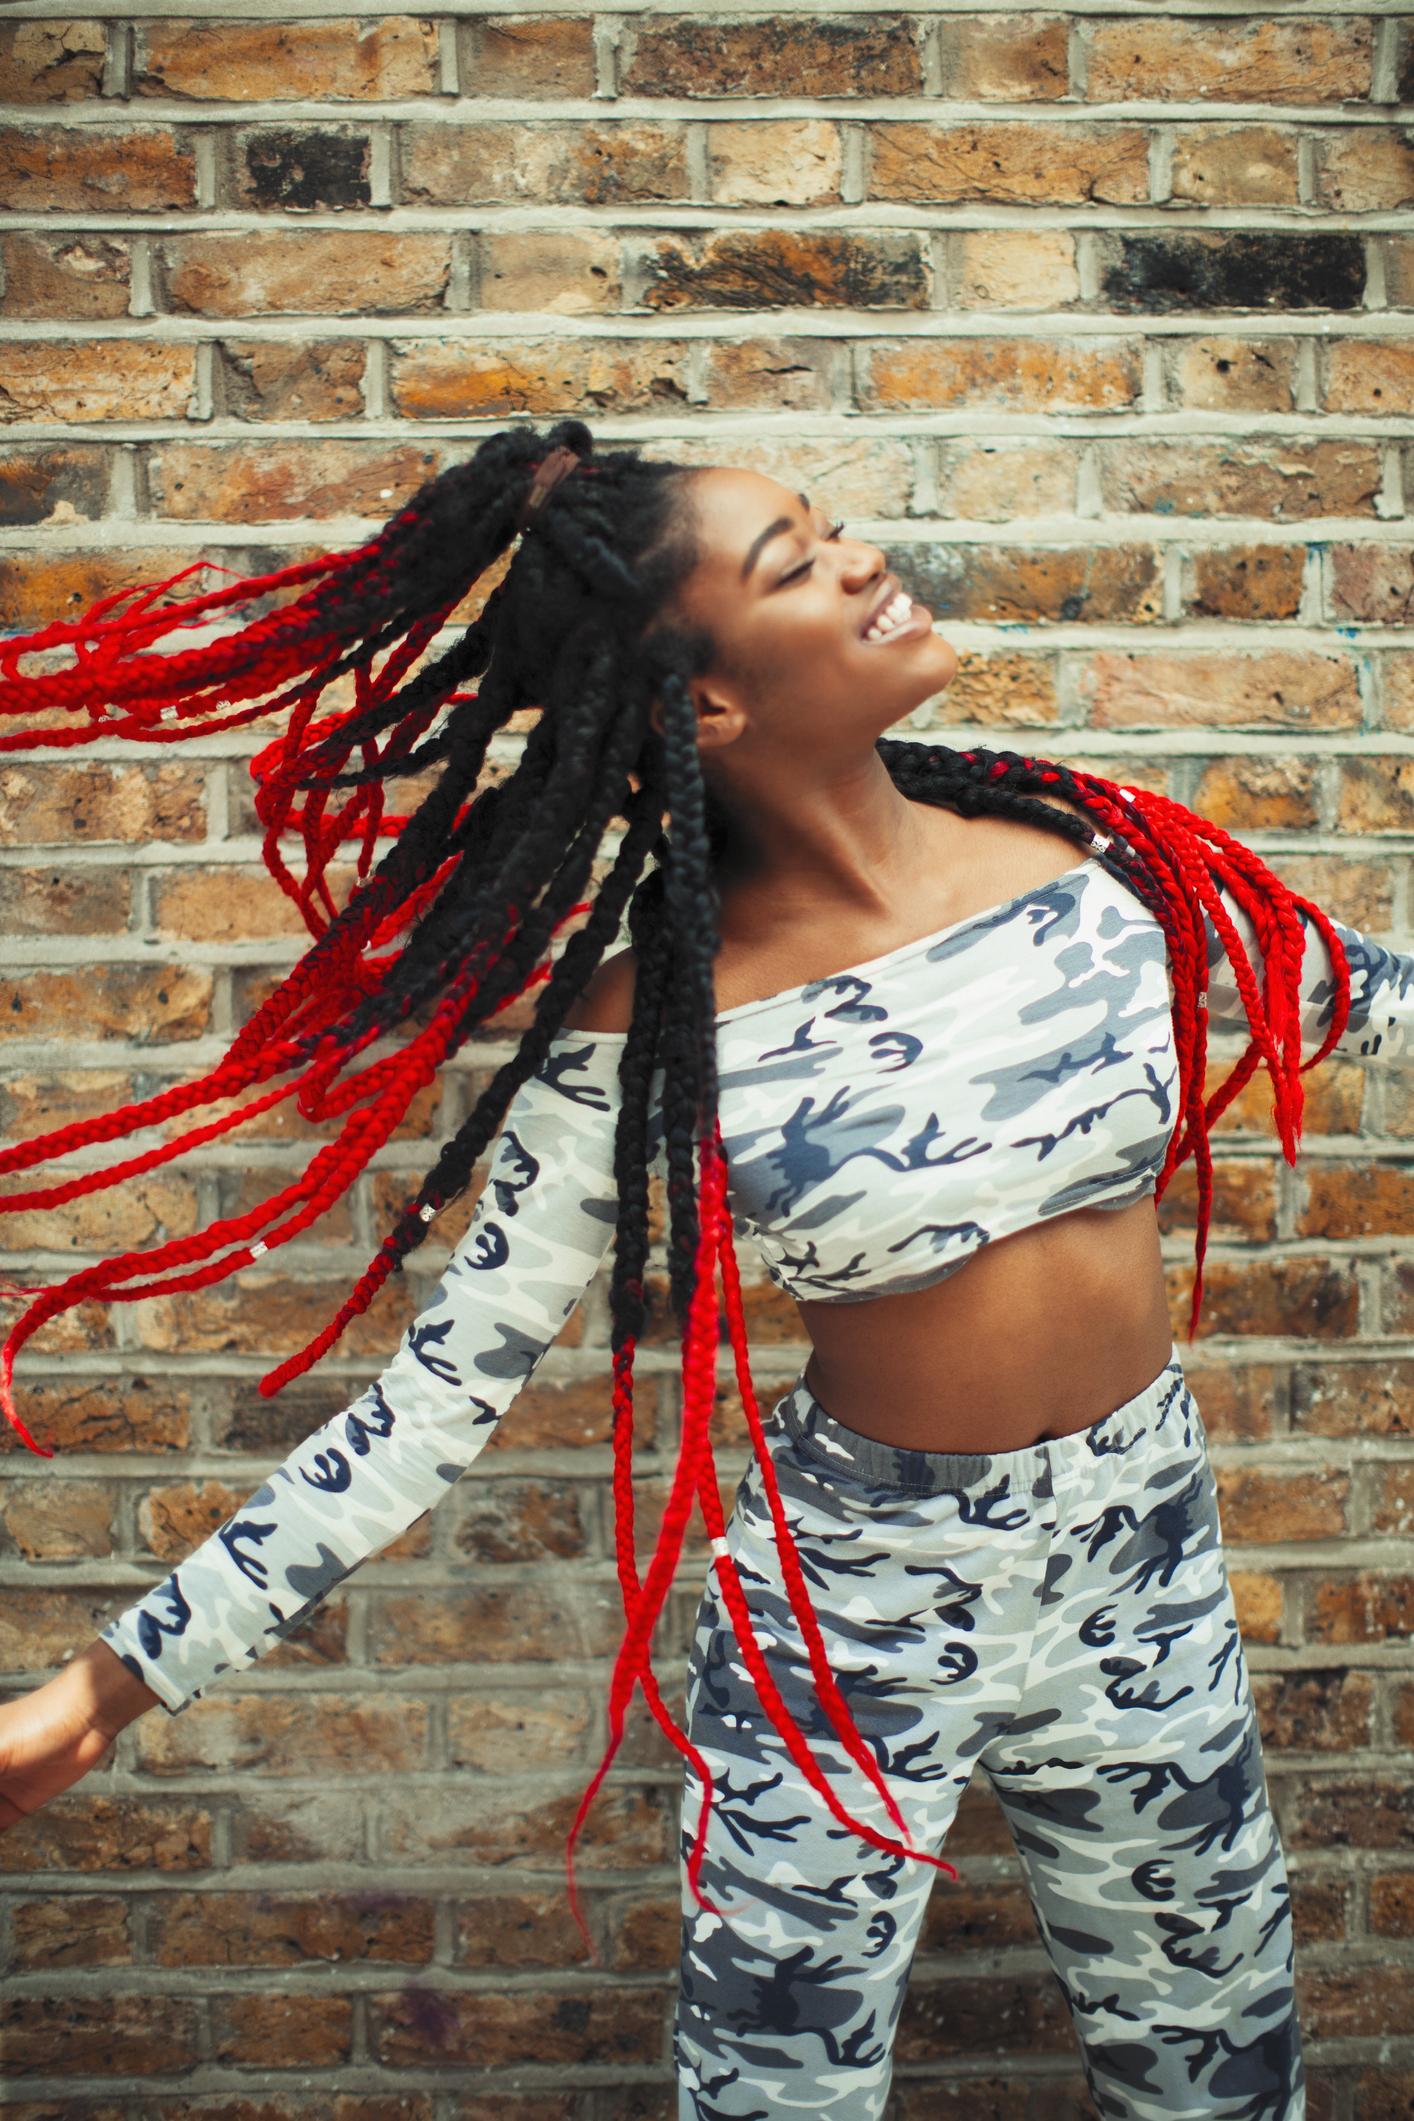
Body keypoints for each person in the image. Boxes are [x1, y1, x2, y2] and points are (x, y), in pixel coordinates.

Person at [0, 419, 1407, 2120]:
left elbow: (1369, 1001)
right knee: (773, 2100)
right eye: (795, 562)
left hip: (1146, 1566)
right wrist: (105, 1688)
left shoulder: (1098, 876)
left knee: (1223, 2077)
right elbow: (430, 1406)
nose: (862, 559)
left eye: (833, 530)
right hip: (850, 1617)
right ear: (709, 705)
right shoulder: (647, 1034)